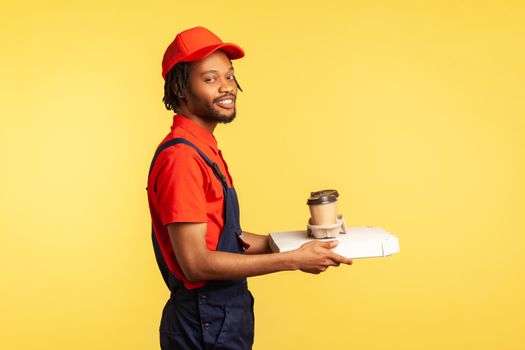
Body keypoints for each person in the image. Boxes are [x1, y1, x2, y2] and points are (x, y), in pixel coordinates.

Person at [147, 26, 353, 350]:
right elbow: (196, 262)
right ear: (181, 88)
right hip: (202, 325)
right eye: (210, 79)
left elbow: (231, 240)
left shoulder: (205, 150)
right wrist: (293, 261)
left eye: (229, 76)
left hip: (220, 320)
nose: (227, 87)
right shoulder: (182, 158)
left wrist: (306, 241)